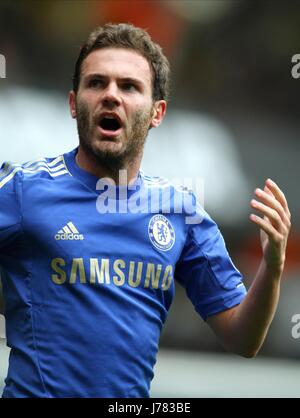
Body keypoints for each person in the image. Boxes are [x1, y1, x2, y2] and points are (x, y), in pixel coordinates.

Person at [0, 23, 291, 398]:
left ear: (157, 112)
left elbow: (242, 338)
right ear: (74, 104)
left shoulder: (180, 210)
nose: (110, 95)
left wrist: (272, 268)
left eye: (128, 86)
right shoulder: (24, 190)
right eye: (96, 83)